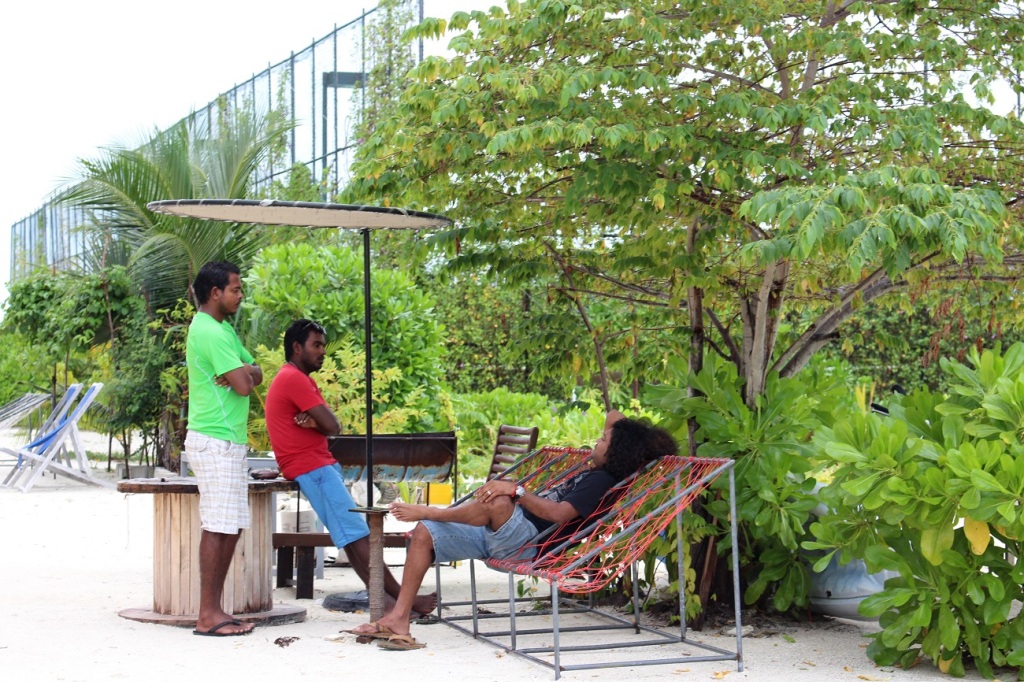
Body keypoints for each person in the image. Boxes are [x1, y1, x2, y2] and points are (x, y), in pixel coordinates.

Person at [349, 410, 678, 650]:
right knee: (424, 533)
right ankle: (400, 619)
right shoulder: (596, 469)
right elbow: (613, 416)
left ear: (616, 452)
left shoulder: (601, 481)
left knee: (501, 499)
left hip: (526, 543)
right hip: (503, 533)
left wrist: (518, 491)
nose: (598, 437)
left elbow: (561, 514)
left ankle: (434, 511)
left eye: (603, 439)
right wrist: (640, 439)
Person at [264, 319, 437, 617]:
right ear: (296, 347)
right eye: (316, 345)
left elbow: (327, 426)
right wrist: (320, 422)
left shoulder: (297, 377)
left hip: (315, 465)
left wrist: (316, 422)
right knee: (358, 536)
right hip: (312, 467)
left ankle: (387, 604)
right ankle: (405, 599)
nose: (322, 352)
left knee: (352, 536)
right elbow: (334, 425)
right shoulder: (294, 379)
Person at [185, 261, 263, 637]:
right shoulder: (210, 333)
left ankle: (214, 610)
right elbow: (248, 385)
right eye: (235, 289)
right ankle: (207, 614)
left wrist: (243, 371)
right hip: (214, 439)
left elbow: (255, 372)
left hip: (227, 440)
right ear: (215, 293)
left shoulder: (223, 329)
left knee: (229, 525)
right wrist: (244, 375)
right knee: (217, 525)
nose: (240, 294)